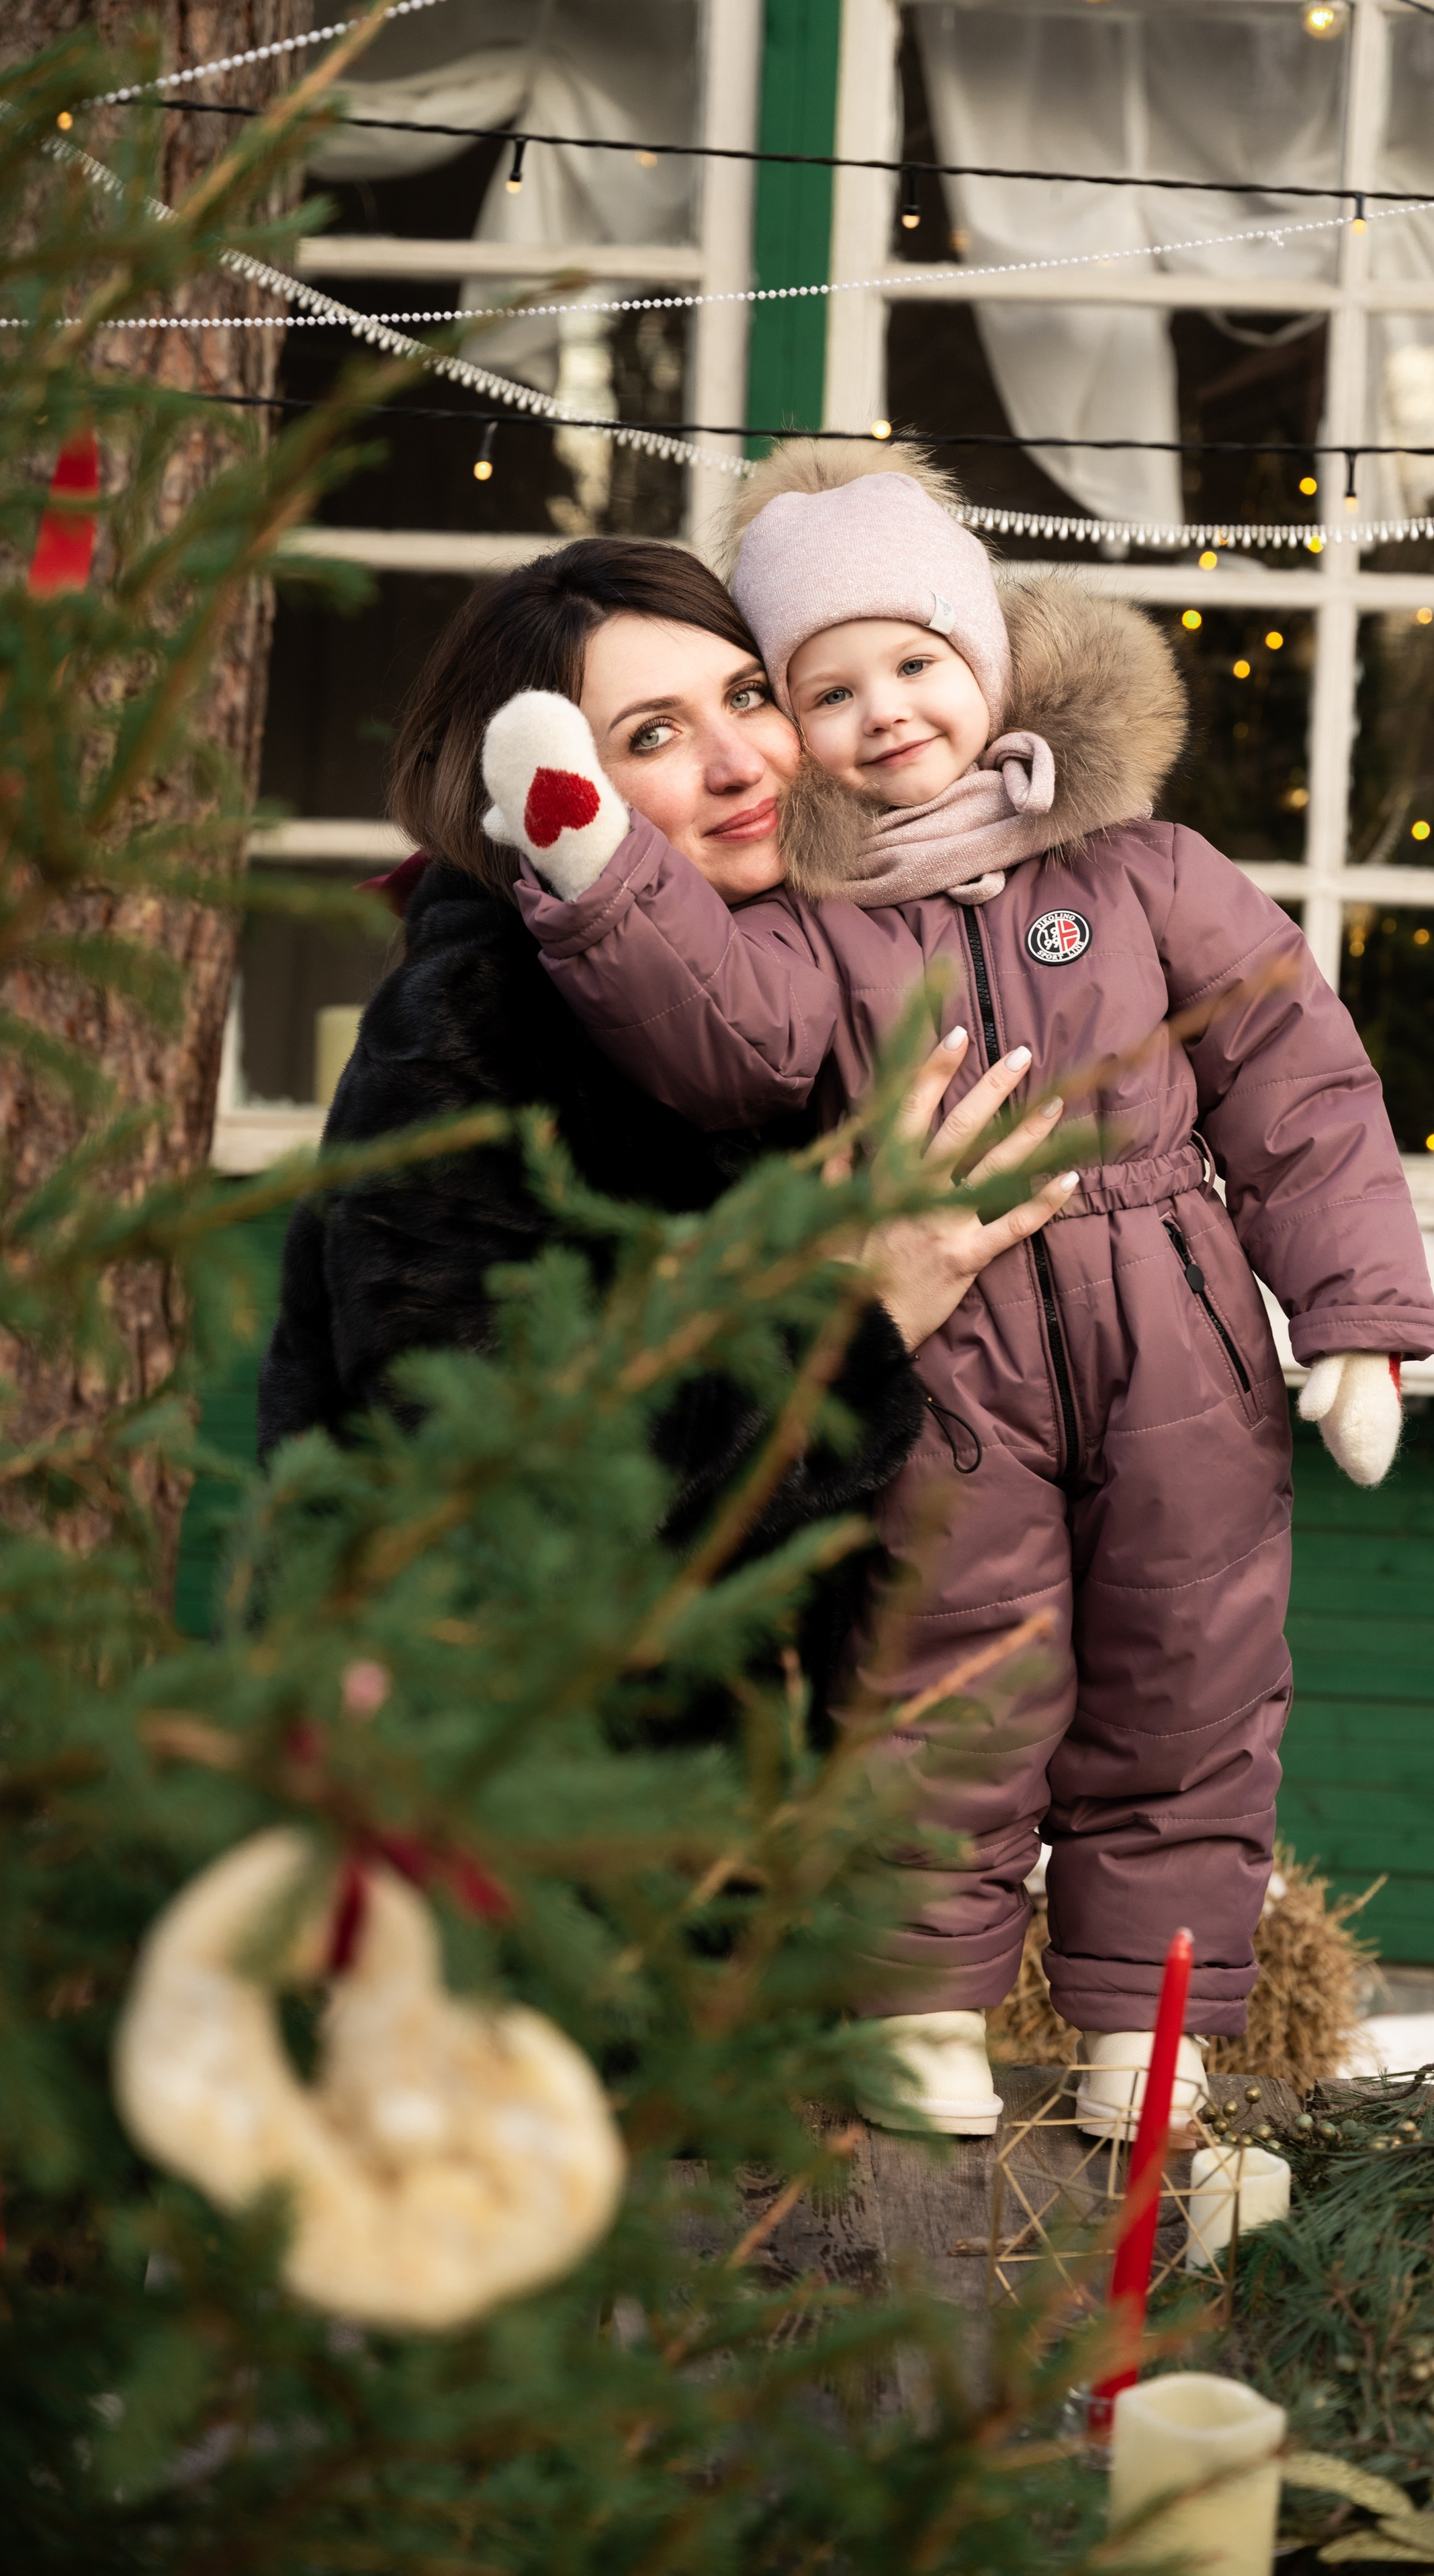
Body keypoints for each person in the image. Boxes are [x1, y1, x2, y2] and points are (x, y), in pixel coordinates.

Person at [478, 445, 1434, 2143]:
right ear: (793, 723)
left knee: (1190, 1689)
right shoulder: (818, 933)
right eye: (827, 688)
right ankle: (917, 2009)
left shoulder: (1143, 873)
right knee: (939, 1686)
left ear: (988, 656)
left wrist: (1353, 1311)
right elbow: (715, 1028)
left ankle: (1151, 2036)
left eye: (915, 660)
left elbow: (1296, 1077)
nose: (887, 712)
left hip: (1184, 1356)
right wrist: (600, 869)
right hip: (952, 1385)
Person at [258, 537, 1071, 1726]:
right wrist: (854, 1319)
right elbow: (478, 1494)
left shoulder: (842, 957)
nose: (742, 764)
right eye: (653, 735)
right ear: (538, 793)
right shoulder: (477, 1030)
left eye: (748, 696)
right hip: (528, 1788)